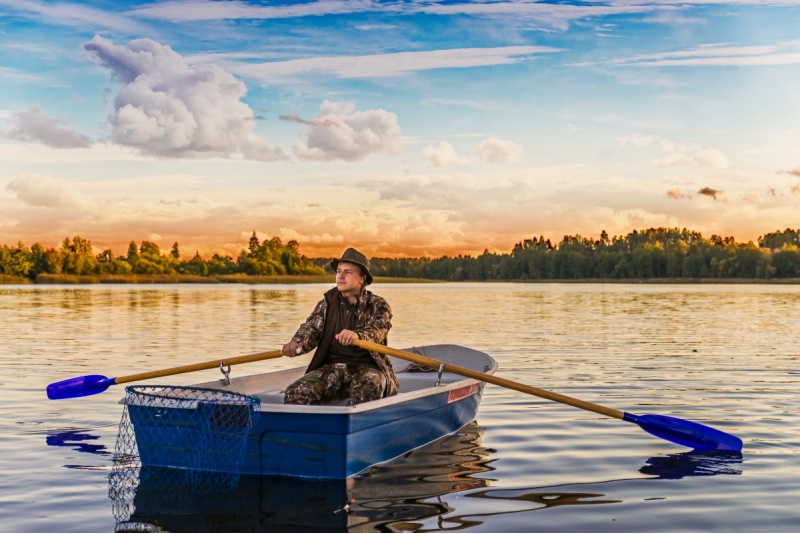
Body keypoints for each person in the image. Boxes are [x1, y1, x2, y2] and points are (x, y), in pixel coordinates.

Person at [281, 247, 398, 405]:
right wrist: (298, 343)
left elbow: (378, 329)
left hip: (369, 368)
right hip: (333, 368)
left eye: (348, 272)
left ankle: (358, 428)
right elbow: (311, 328)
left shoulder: (378, 305)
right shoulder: (327, 303)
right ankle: (306, 428)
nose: (340, 276)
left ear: (362, 278)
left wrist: (358, 335)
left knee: (368, 388)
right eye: (338, 271)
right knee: (295, 392)